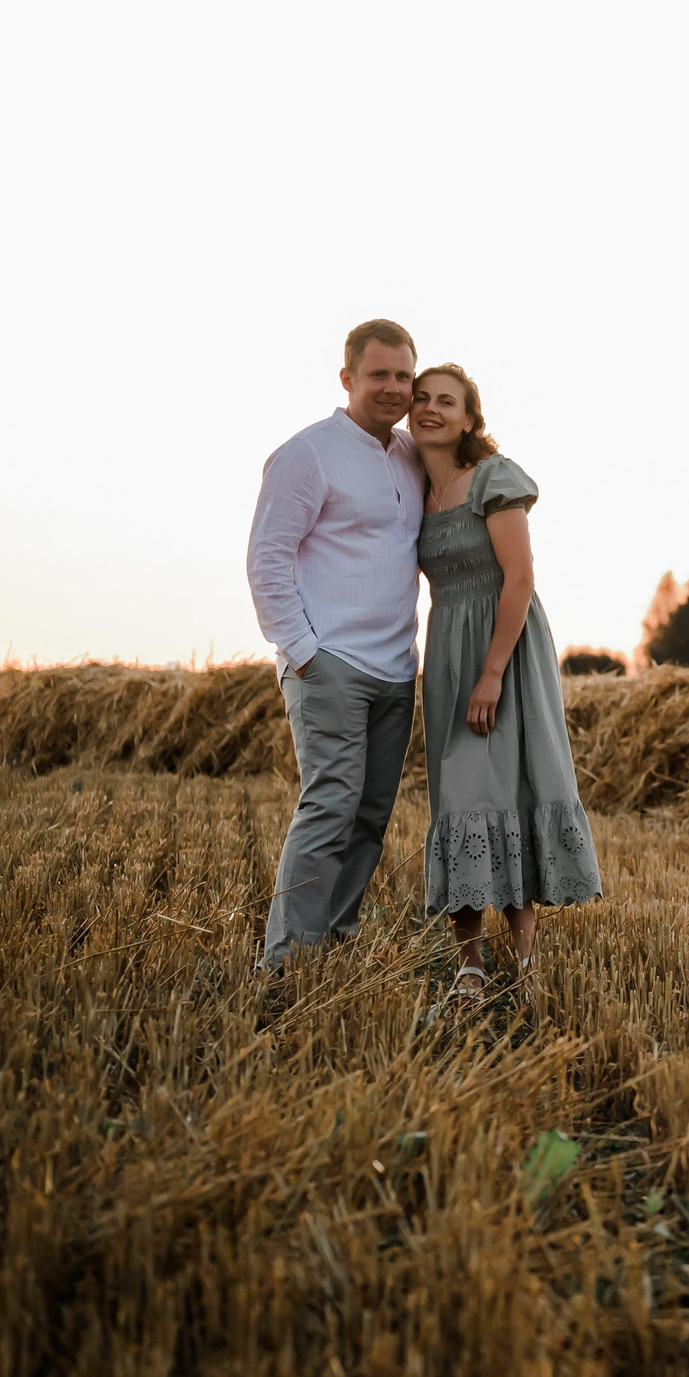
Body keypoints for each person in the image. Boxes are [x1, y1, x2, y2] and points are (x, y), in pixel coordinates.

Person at [406, 363, 603, 995]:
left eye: (447, 401)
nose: (431, 408)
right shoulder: (412, 487)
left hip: (506, 649)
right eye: (421, 398)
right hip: (448, 651)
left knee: (514, 789)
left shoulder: (494, 477)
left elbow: (519, 578)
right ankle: (469, 962)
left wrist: (492, 673)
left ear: (469, 418)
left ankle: (523, 961)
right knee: (460, 796)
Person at [245, 319, 425, 970]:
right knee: (329, 806)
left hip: (397, 669)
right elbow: (267, 556)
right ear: (347, 378)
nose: (393, 387)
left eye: (404, 375)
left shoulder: (412, 456)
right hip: (331, 665)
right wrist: (302, 651)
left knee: (370, 816)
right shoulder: (309, 453)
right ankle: (286, 962)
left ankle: (333, 945)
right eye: (379, 375)